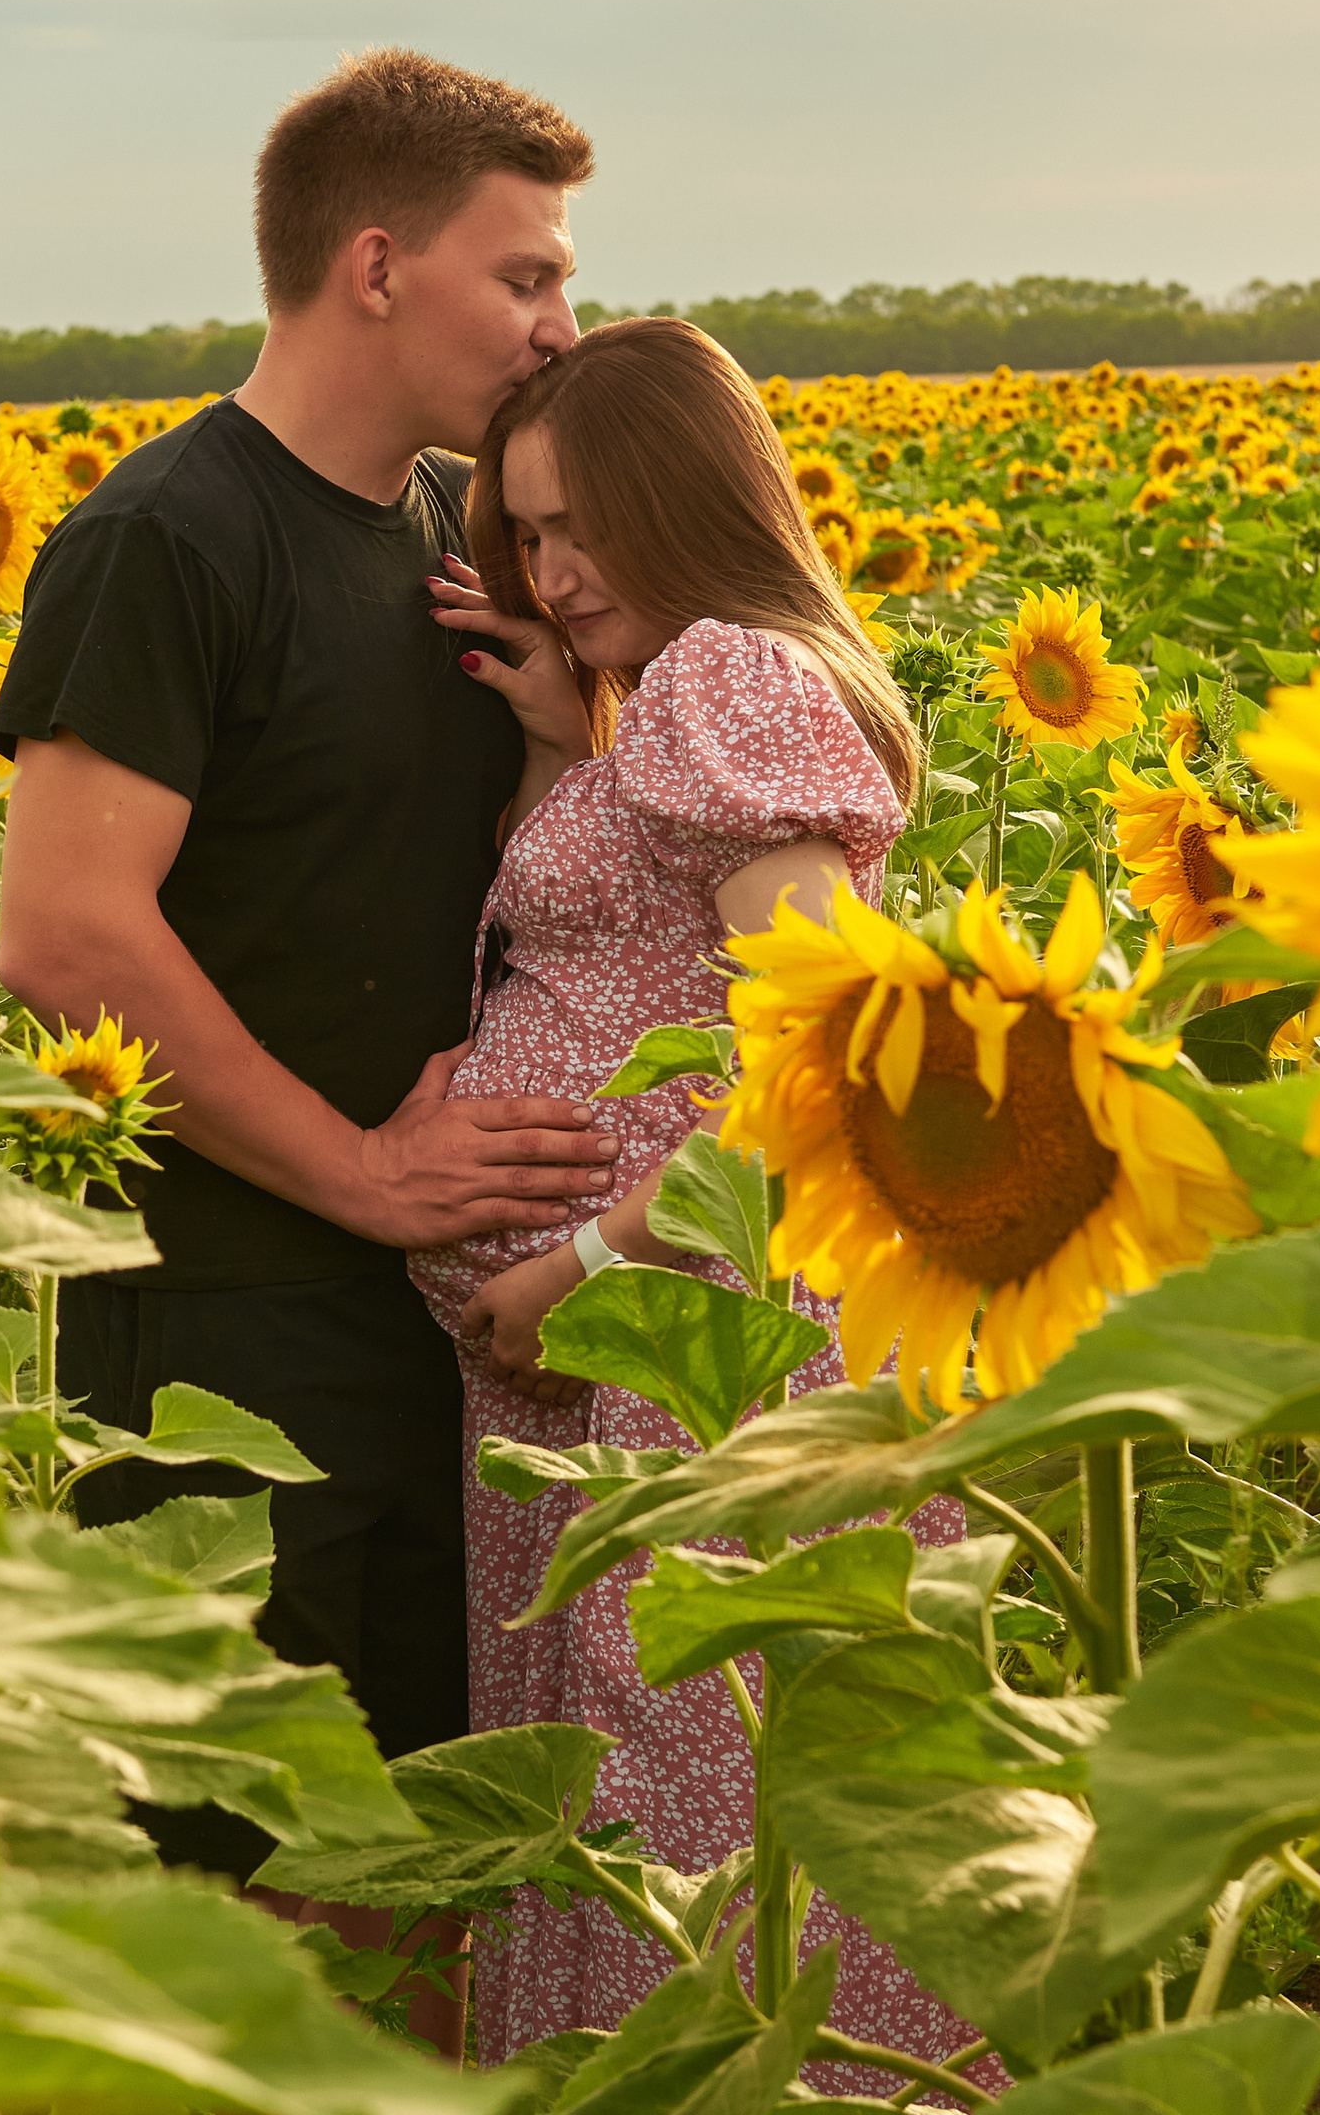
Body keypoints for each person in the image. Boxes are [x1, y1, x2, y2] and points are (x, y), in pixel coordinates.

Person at [0, 49, 620, 2044]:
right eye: (524, 275)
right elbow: (67, 935)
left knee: (415, 1867)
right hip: (225, 1320)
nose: (559, 323)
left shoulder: (443, 531)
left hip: (429, 1315)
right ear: (374, 265)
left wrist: (557, 731)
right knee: (224, 1903)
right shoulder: (172, 539)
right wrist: (358, 1169)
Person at [411, 315, 983, 2083]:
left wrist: (586, 1263)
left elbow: (830, 1050)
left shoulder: (728, 676)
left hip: (692, 1349)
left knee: (707, 1817)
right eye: (531, 534)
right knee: (643, 1811)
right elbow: (619, 940)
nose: (556, 572)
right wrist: (557, 739)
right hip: (621, 1363)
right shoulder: (660, 703)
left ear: (689, 504)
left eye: (585, 526)